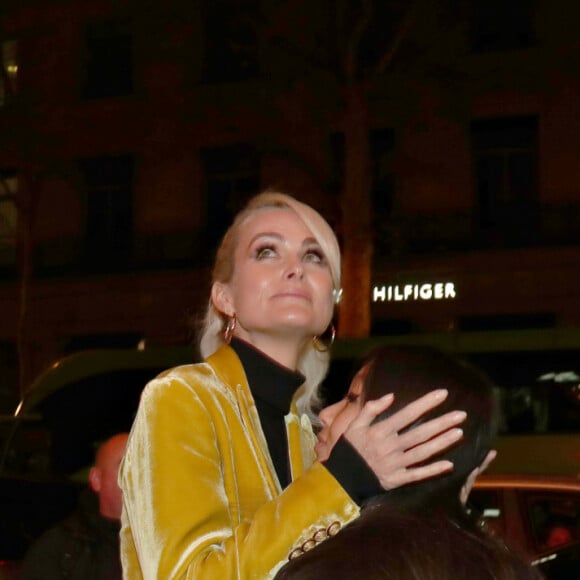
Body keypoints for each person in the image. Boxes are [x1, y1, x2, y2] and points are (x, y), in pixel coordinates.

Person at [119, 191, 467, 579]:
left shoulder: (310, 435)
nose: (296, 269)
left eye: (313, 256)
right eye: (267, 251)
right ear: (224, 296)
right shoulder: (180, 397)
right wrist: (341, 481)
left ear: (329, 301)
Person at [275, 346, 541, 579]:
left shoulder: (327, 565)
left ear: (404, 426)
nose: (326, 414)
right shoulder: (508, 569)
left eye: (353, 399)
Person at [21, 433, 129, 580]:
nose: (138, 477)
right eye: (125, 467)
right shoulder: (60, 551)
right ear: (97, 479)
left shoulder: (164, 543)